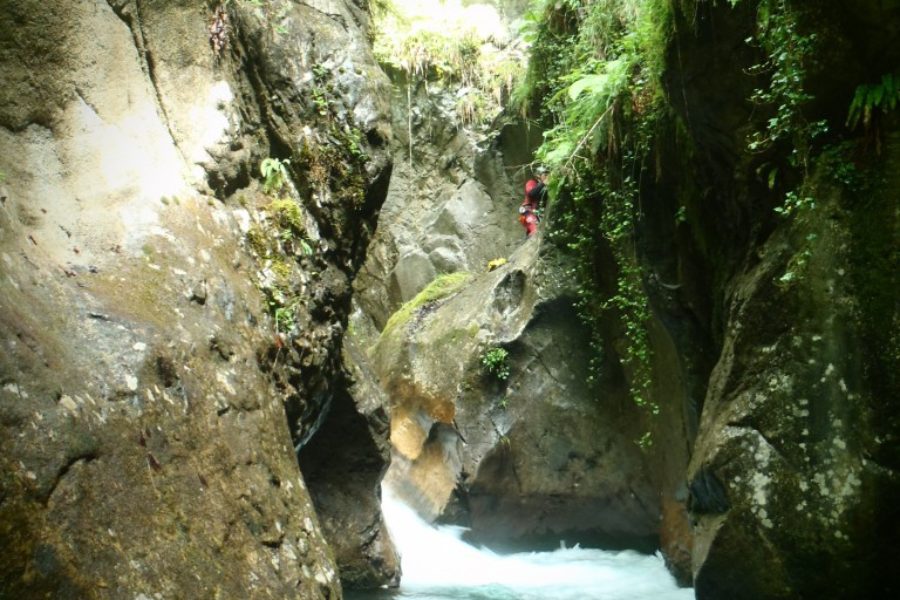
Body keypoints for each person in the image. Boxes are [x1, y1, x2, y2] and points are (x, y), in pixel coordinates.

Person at [518, 172, 547, 237]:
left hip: (537, 212)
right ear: (538, 175)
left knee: (540, 229)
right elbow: (531, 194)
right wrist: (543, 183)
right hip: (526, 212)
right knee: (535, 231)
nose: (547, 176)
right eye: (545, 174)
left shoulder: (545, 186)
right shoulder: (531, 182)